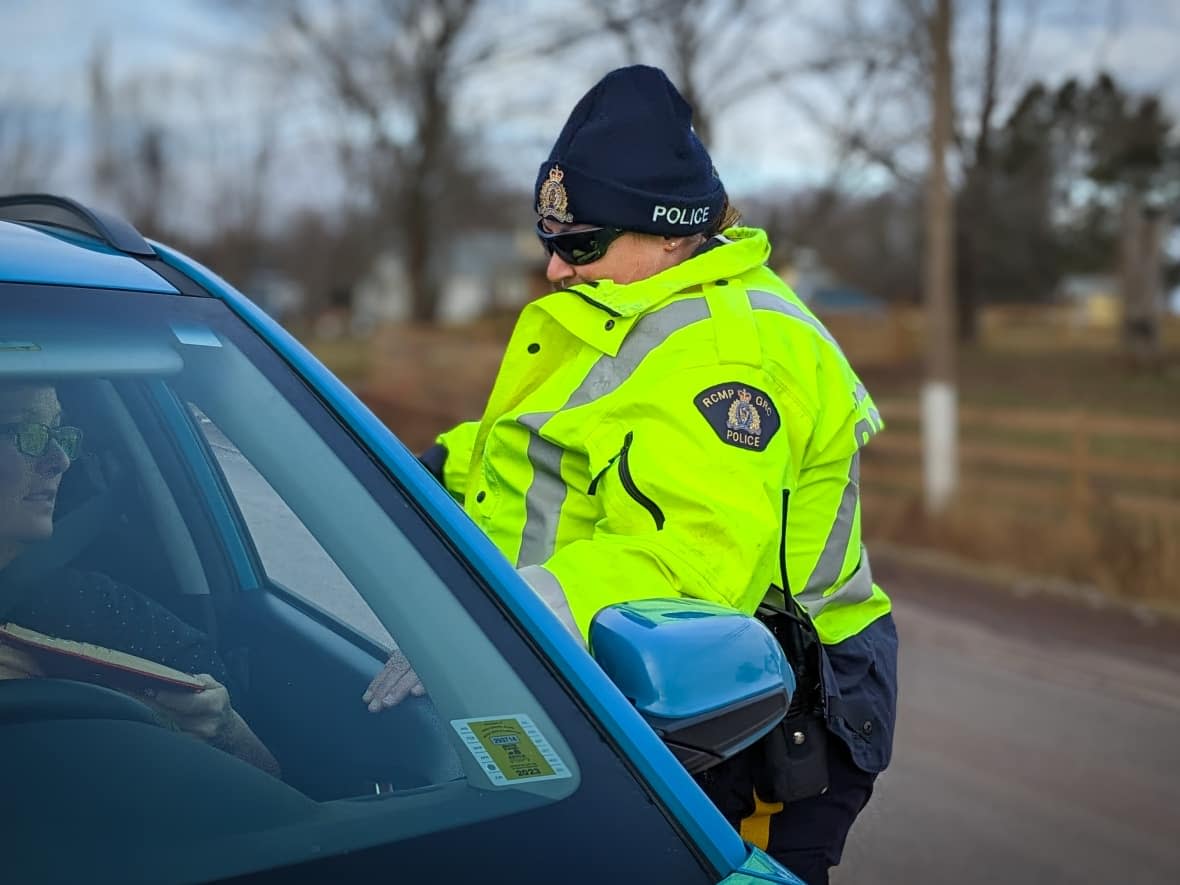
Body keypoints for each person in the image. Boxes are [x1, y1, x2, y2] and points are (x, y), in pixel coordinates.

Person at [363, 65, 898, 883]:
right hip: (595, 676)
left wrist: (516, 613)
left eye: (582, 244)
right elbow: (554, 442)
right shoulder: (630, 305)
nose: (555, 269)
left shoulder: (733, 355)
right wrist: (415, 472)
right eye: (551, 242)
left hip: (759, 722)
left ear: (672, 233)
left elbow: (692, 562)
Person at [0, 380, 280, 777]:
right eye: (27, 434)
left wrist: (226, 731)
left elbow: (270, 781)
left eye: (60, 433)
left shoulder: (103, 612)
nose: (59, 459)